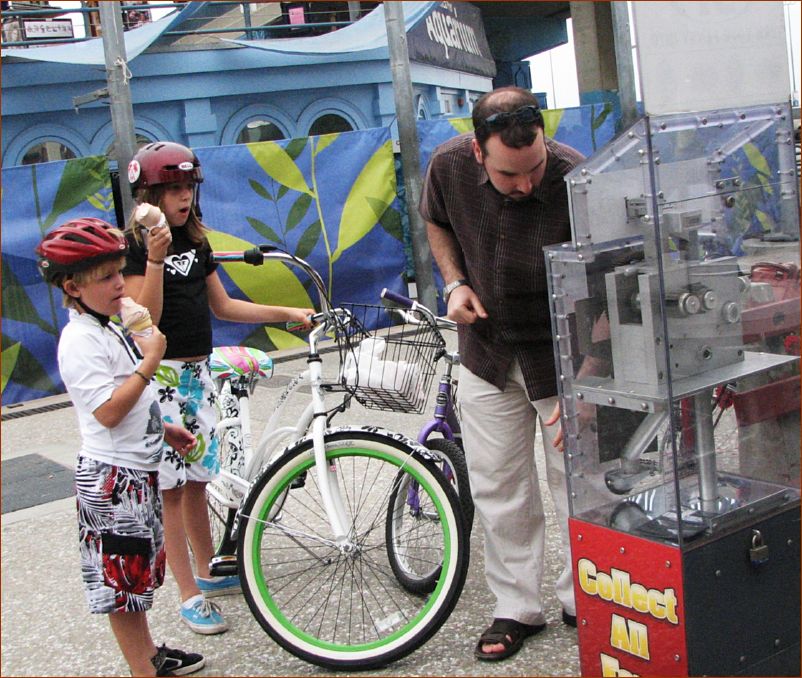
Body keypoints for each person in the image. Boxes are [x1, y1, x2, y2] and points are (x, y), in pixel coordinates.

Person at [122, 141, 314, 635]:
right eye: (172, 189)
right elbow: (148, 321)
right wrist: (156, 257)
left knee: (199, 480)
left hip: (198, 372)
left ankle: (207, 575)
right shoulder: (136, 248)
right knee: (170, 487)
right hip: (160, 377)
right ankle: (187, 594)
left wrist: (286, 313)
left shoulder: (196, 242)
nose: (183, 197)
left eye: (188, 187)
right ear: (147, 195)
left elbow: (224, 307)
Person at [420, 87, 584, 662]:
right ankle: (517, 607)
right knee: (499, 486)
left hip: (563, 355)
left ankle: (584, 595)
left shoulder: (575, 176)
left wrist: (588, 379)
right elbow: (436, 222)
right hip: (487, 352)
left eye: (535, 167)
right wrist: (454, 282)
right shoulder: (445, 167)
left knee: (578, 484)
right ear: (477, 152)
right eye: (511, 175)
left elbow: (612, 283)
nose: (527, 184)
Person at [35, 218, 204, 676]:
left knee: (137, 576)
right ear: (72, 286)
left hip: (135, 472)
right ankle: (141, 669)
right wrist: (150, 361)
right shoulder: (80, 340)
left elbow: (132, 400)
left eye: (117, 271)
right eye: (106, 276)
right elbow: (107, 411)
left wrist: (165, 427)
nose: (118, 282)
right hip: (111, 482)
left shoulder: (108, 327)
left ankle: (149, 654)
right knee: (121, 585)